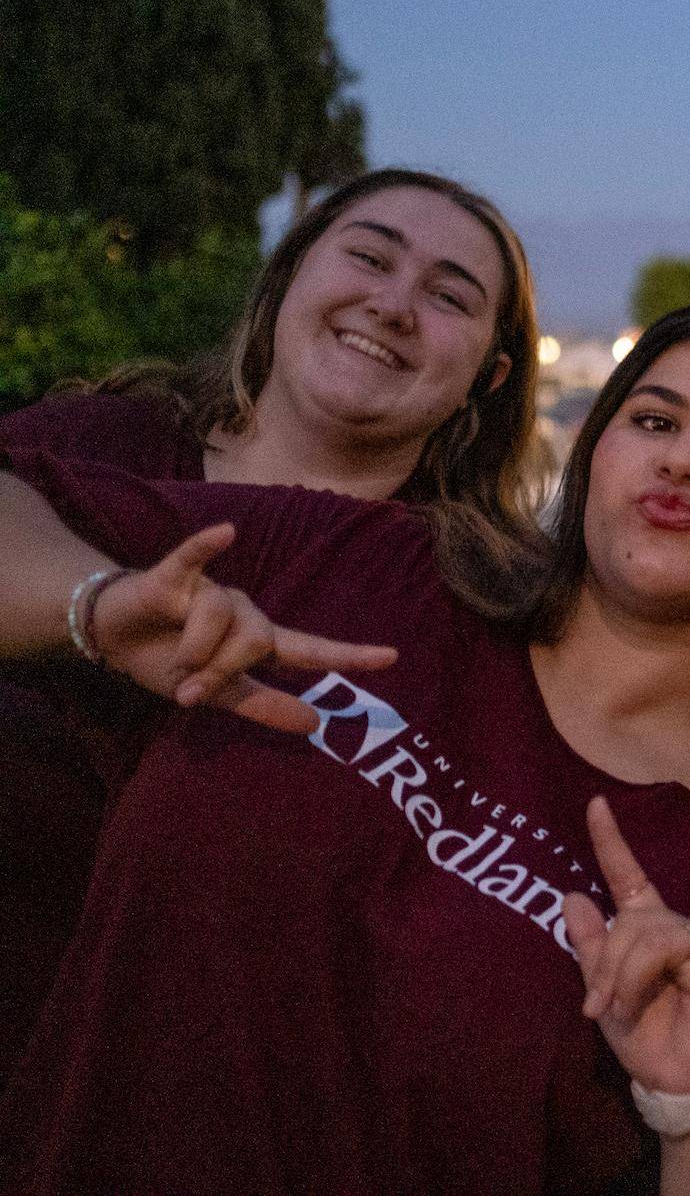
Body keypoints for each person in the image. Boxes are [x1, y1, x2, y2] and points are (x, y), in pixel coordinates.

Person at [0, 297, 690, 1194]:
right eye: (652, 420)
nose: (682, 459)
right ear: (596, 452)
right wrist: (90, 602)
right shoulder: (369, 563)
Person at [0, 166, 544, 1080]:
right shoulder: (97, 441)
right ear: (289, 277)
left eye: (450, 296)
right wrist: (96, 607)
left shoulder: (481, 608)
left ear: (485, 378)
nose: (393, 304)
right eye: (368, 256)